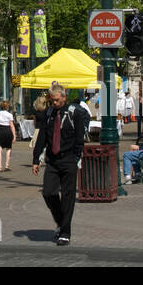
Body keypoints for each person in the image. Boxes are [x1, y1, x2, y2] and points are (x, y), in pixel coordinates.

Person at [32, 84, 88, 246]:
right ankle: (60, 220)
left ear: (64, 97)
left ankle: (65, 232)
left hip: (69, 159)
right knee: (48, 192)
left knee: (68, 197)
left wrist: (77, 156)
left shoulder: (74, 113)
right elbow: (42, 137)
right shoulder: (49, 113)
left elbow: (79, 138)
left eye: (57, 100)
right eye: (52, 100)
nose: (54, 103)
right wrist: (36, 159)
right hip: (53, 159)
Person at [0, 100, 15, 172]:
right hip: (7, 131)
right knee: (8, 148)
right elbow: (12, 126)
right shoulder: (9, 115)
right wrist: (14, 136)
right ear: (7, 106)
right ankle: (7, 165)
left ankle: (0, 167)